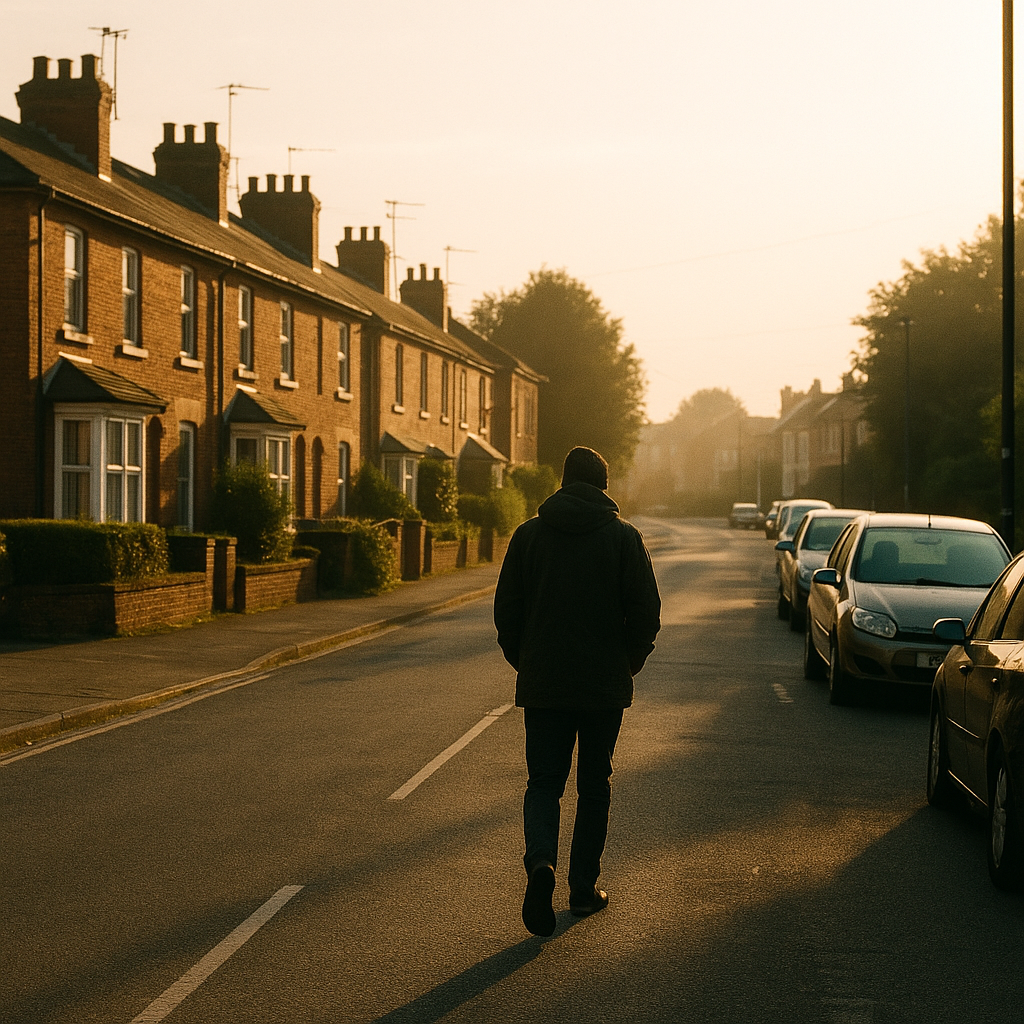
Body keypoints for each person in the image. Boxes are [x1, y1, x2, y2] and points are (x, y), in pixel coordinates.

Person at [493, 446, 661, 937]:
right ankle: (583, 890)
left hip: (544, 684)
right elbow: (646, 615)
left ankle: (541, 862)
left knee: (544, 781)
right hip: (603, 687)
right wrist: (627, 665)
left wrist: (525, 661)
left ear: (563, 483)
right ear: (604, 487)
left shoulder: (528, 536)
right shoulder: (625, 539)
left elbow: (507, 613)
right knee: (594, 785)